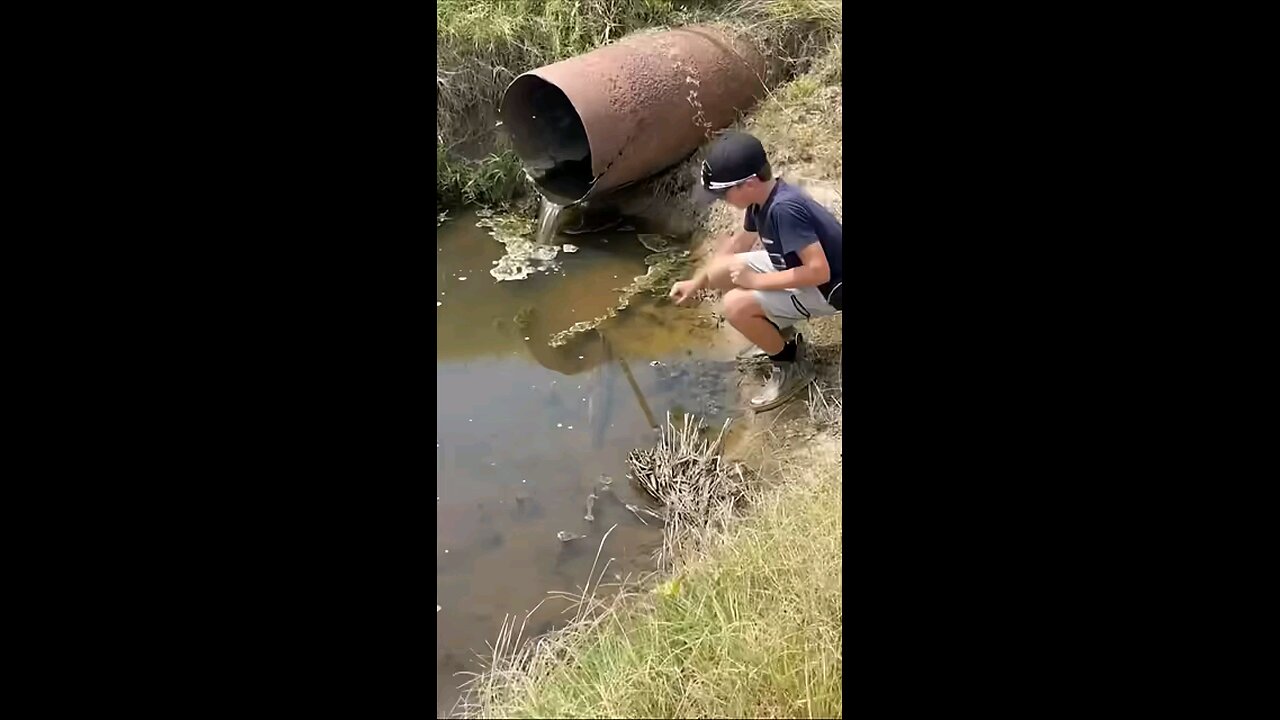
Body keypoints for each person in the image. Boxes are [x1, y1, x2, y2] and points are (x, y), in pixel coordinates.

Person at [669, 131, 843, 411]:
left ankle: (790, 365)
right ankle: (779, 334)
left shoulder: (784, 209)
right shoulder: (761, 200)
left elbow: (819, 271)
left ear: (748, 184)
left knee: (735, 306)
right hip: (798, 271)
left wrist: (756, 281)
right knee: (727, 271)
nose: (722, 200)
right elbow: (737, 247)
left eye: (724, 193)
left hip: (829, 288)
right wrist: (697, 282)